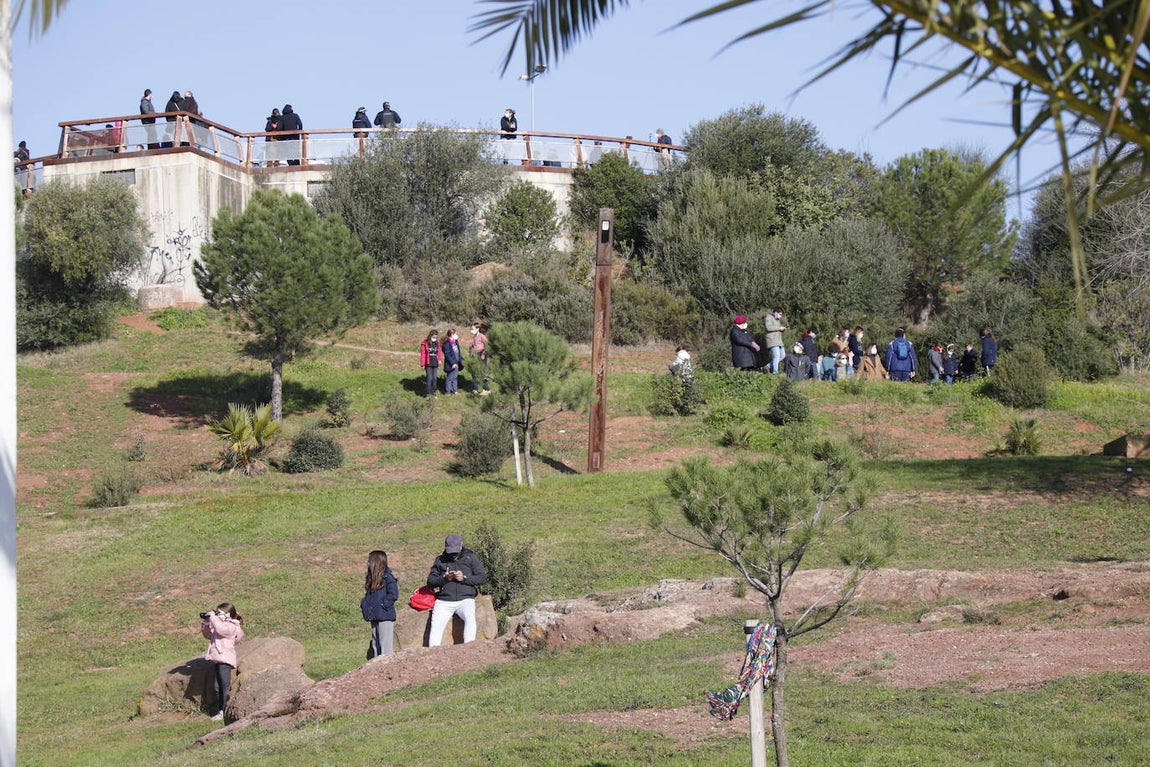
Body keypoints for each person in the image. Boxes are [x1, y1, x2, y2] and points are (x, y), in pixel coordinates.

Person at [426, 534, 487, 647]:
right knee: (436, 626)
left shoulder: (470, 558)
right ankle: (433, 651)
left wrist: (464, 578)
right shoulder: (440, 560)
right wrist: (444, 578)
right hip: (444, 601)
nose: (453, 553)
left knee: (470, 619)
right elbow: (430, 581)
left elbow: (482, 578)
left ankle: (469, 647)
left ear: (461, 545)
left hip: (465, 599)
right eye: (450, 550)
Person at [200, 602, 244, 721]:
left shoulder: (232, 626)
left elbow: (221, 630)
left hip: (225, 658)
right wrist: (207, 622)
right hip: (218, 659)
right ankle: (221, 710)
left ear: (228, 614)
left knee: (224, 686)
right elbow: (208, 635)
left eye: (219, 613)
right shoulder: (219, 624)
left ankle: (224, 711)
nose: (216, 615)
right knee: (217, 686)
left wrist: (214, 618)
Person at [360, 550, 398, 660]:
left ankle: (386, 666)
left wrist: (383, 605)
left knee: (385, 644)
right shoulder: (372, 579)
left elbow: (393, 594)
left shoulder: (388, 578)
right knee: (375, 643)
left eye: (369, 560)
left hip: (384, 615)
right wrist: (364, 604)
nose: (367, 563)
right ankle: (375, 667)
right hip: (374, 615)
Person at [469, 323, 491, 395]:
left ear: (477, 329)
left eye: (473, 329)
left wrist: (484, 354)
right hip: (475, 356)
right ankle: (475, 388)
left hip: (481, 355)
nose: (471, 330)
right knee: (474, 373)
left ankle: (486, 389)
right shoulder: (474, 337)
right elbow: (472, 346)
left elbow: (487, 345)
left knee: (482, 373)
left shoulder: (482, 336)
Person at [763, 309, 787, 374]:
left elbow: (776, 328)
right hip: (772, 340)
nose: (780, 316)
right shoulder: (768, 317)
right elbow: (768, 328)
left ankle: (768, 366)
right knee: (776, 356)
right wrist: (779, 328)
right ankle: (775, 372)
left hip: (779, 341)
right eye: (780, 314)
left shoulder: (777, 319)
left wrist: (782, 329)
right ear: (776, 312)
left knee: (783, 355)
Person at [419, 329, 441, 397]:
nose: (435, 338)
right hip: (428, 363)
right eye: (434, 337)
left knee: (434, 379)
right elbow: (423, 354)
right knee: (429, 378)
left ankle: (433, 392)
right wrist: (422, 364)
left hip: (435, 362)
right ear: (431, 335)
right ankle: (428, 394)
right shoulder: (425, 343)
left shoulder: (437, 343)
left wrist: (439, 359)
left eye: (436, 337)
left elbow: (439, 352)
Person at [442, 328, 463, 395]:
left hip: (456, 362)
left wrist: (460, 359)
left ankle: (455, 391)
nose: (456, 335)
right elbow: (447, 355)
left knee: (455, 377)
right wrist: (452, 363)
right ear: (451, 334)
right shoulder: (446, 343)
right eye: (455, 333)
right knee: (450, 377)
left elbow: (458, 351)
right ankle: (447, 391)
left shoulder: (456, 342)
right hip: (451, 364)